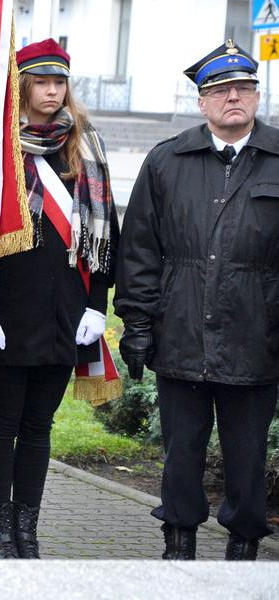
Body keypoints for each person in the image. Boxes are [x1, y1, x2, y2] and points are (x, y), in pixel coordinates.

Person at [115, 40, 279, 561]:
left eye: (244, 88)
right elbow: (139, 250)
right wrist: (138, 324)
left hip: (257, 336)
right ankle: (179, 546)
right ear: (202, 102)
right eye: (222, 90)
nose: (235, 97)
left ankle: (244, 549)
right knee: (181, 453)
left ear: (257, 95)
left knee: (247, 456)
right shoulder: (168, 160)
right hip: (181, 331)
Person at [0, 39, 118, 559]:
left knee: (38, 425)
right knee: (3, 420)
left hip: (65, 310)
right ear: (23, 86)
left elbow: (105, 232)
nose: (52, 92)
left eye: (59, 83)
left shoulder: (86, 143)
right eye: (41, 82)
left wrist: (97, 302)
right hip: (8, 309)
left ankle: (26, 531)